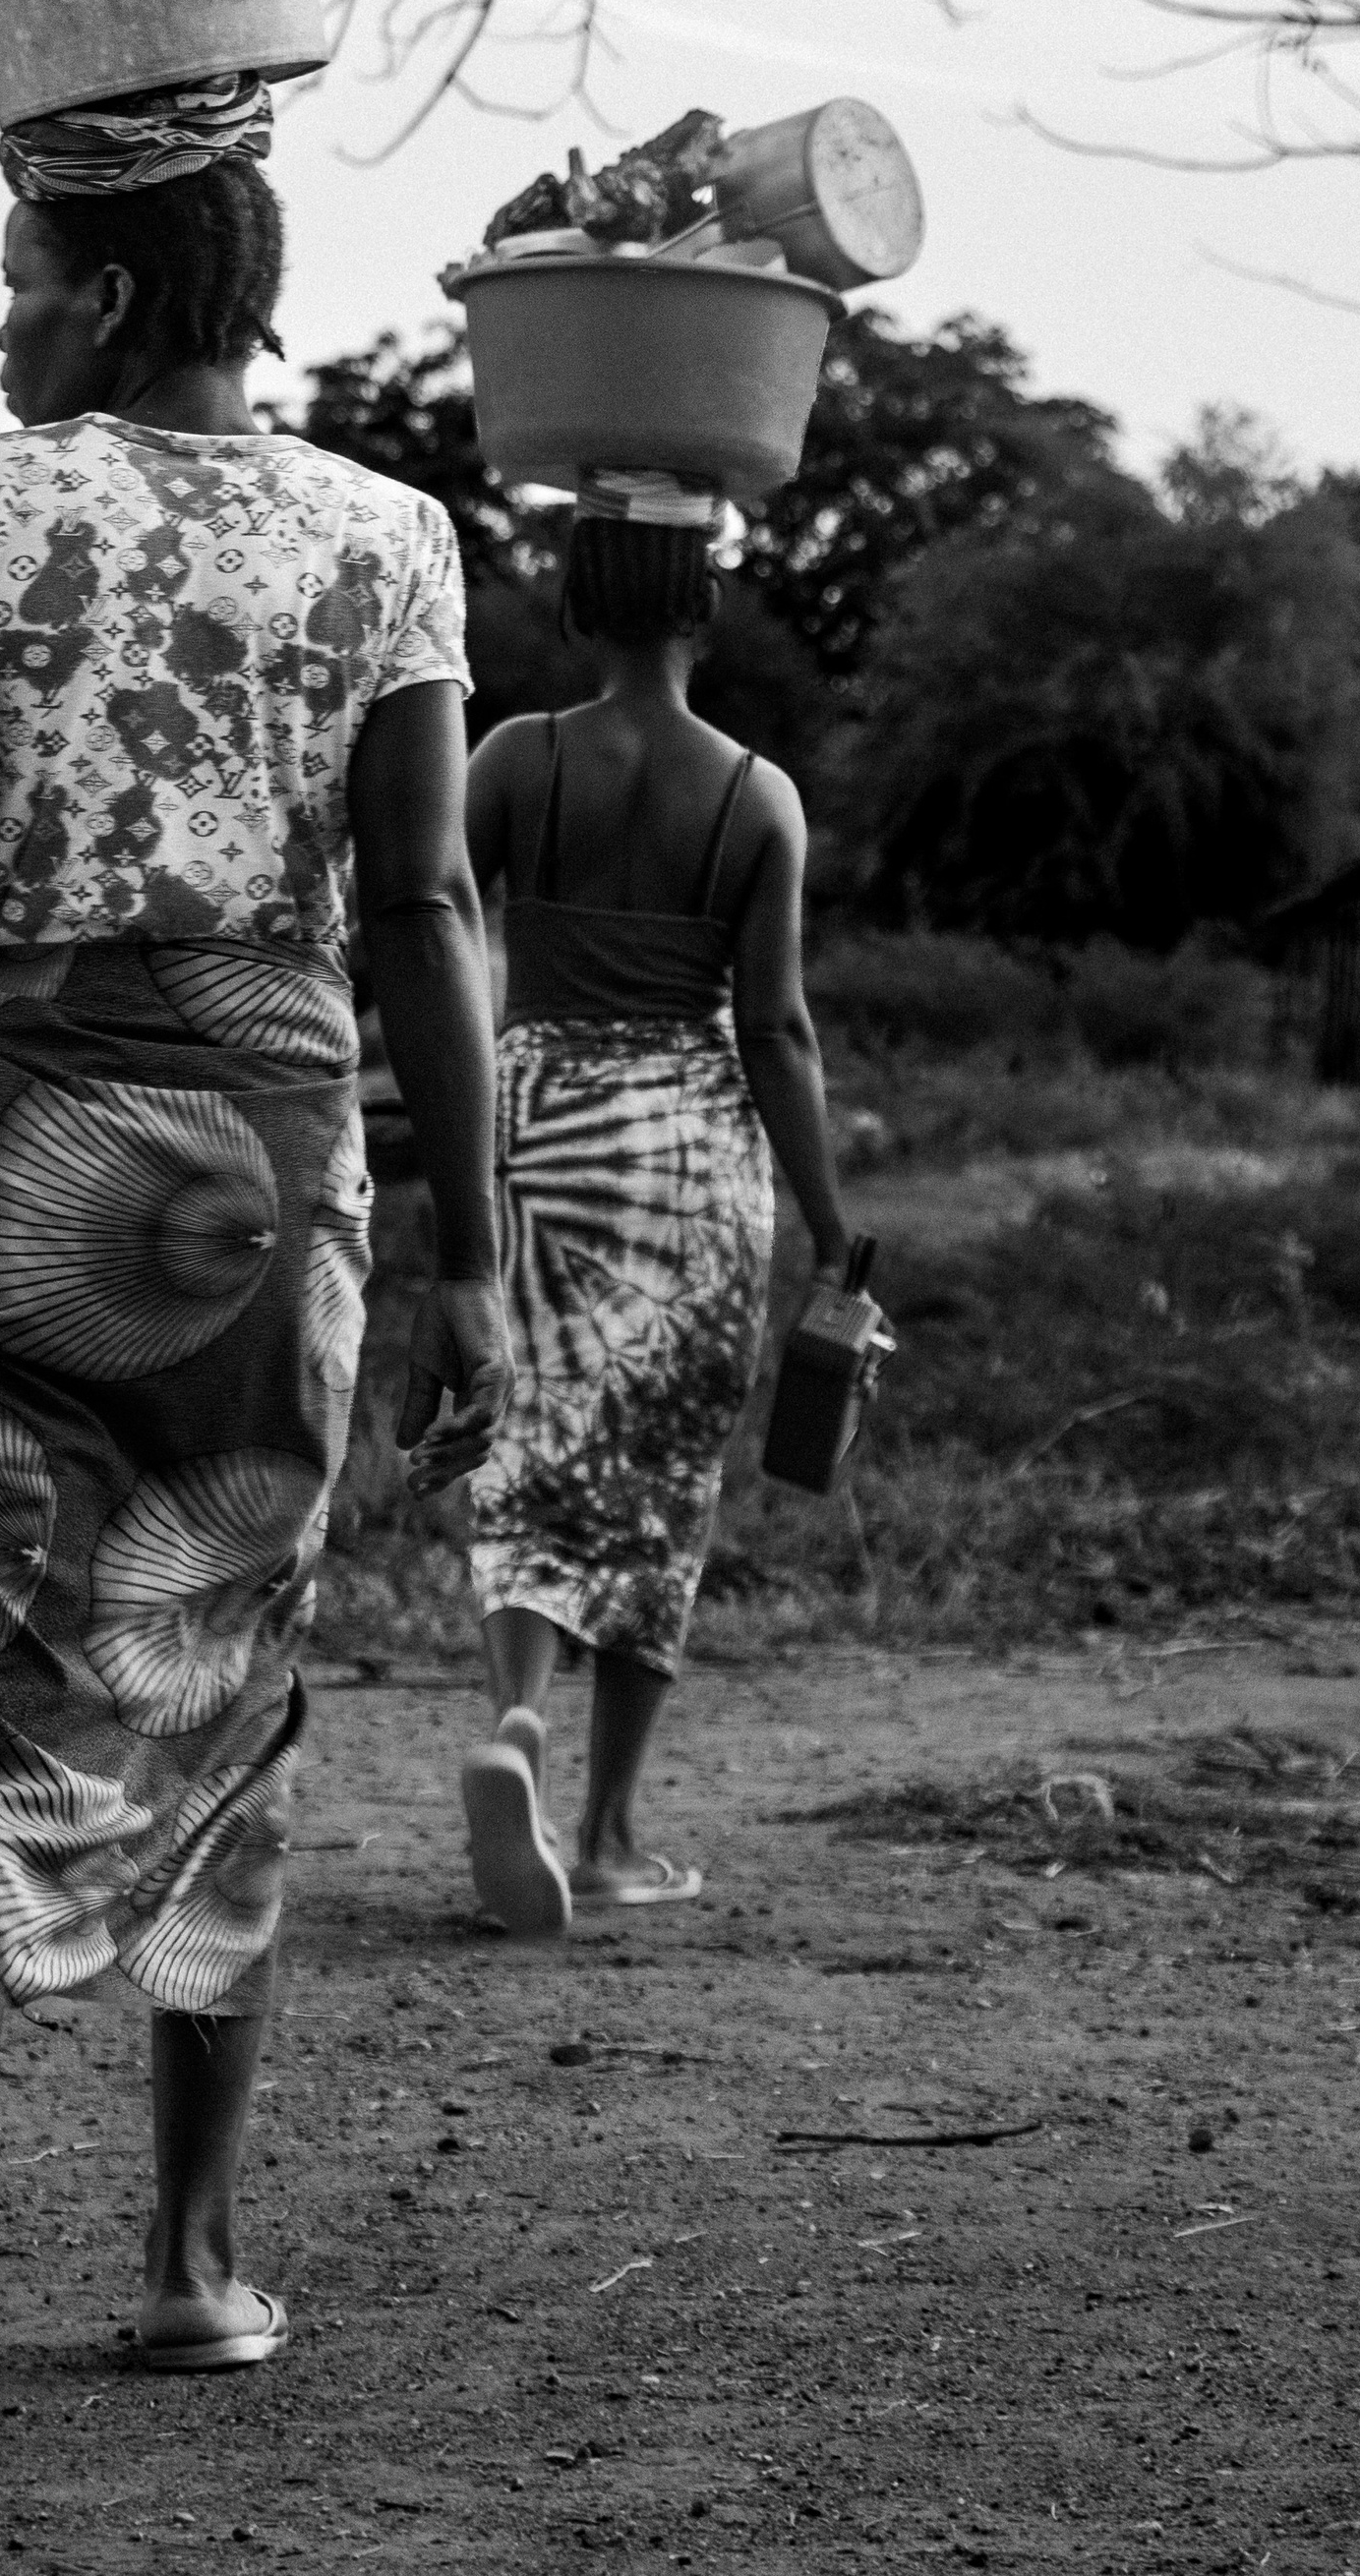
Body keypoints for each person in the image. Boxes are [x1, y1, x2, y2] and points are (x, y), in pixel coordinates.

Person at [0, 86, 509, 2444]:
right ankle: (197, 2267)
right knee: (216, 1673)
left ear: (107, 290)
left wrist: (24, 994)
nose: (0, 327)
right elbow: (418, 904)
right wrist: (474, 1254)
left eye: (20, 280)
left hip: (21, 1140)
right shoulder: (392, 535)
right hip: (264, 1168)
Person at [454, 468, 854, 1933]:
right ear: (706, 605)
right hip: (692, 1148)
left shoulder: (515, 759)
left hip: (540, 1120)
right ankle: (612, 1833)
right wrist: (825, 1216)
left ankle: (514, 1716)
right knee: (658, 1480)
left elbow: (431, 929)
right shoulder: (757, 796)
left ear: (574, 598)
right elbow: (781, 1030)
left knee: (536, 1437)